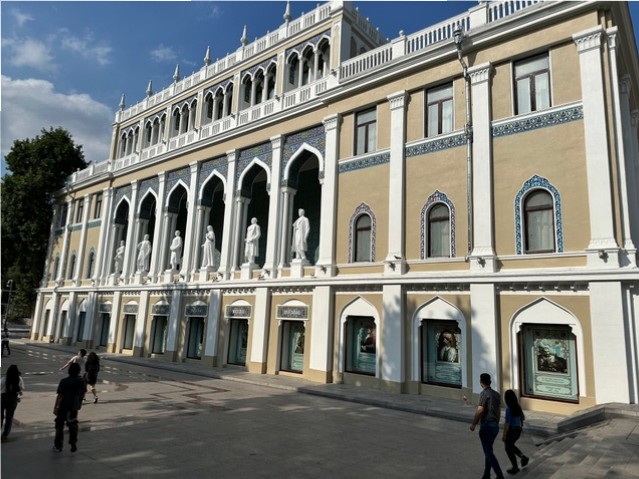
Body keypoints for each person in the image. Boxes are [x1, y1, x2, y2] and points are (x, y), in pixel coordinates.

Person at [470, 373, 505, 479]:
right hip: (494, 426)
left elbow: (480, 410)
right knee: (488, 450)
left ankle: (499, 475)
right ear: (490, 382)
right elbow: (498, 411)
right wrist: (496, 423)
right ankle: (486, 474)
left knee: (488, 452)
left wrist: (473, 424)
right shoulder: (496, 394)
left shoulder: (484, 393)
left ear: (481, 382)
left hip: (486, 425)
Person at [53, 362, 85, 453]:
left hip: (63, 406)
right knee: (73, 424)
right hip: (74, 407)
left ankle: (58, 445)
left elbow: (60, 396)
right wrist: (79, 404)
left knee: (59, 425)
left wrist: (55, 407)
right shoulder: (81, 381)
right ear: (78, 371)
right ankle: (73, 441)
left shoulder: (64, 381)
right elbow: (82, 394)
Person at [502, 389, 529, 474]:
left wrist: (504, 435)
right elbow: (522, 418)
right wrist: (520, 426)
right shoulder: (518, 407)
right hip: (518, 430)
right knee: (511, 446)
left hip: (511, 431)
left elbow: (507, 423)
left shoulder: (509, 409)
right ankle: (523, 457)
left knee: (508, 448)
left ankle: (515, 467)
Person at [1, 364, 24, 440]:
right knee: (9, 417)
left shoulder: (4, 379)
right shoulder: (19, 379)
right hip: (13, 399)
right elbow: (21, 389)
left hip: (3, 398)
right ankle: (5, 434)